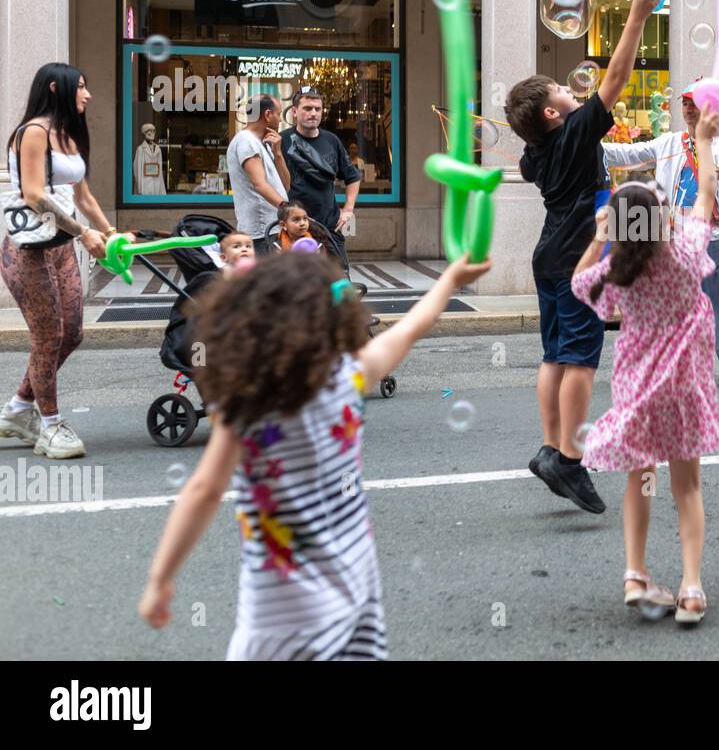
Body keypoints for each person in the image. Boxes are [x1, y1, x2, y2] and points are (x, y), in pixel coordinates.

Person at [138, 250, 491, 658]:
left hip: (282, 602)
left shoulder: (246, 407)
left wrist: (160, 578)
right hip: (352, 577)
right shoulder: (348, 377)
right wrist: (449, 280)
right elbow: (407, 331)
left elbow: (203, 490)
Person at [505, 0, 660, 514]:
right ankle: (569, 456)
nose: (576, 96)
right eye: (565, 95)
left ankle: (552, 447)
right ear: (553, 114)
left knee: (554, 354)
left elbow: (537, 150)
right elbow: (615, 80)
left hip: (549, 257)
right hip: (579, 259)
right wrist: (637, 15)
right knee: (581, 359)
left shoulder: (536, 154)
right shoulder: (572, 133)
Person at [570, 108, 719, 624]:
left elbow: (578, 283)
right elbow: (705, 196)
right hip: (685, 391)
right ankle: (692, 588)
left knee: (641, 481)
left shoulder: (616, 270)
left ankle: (635, 573)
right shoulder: (685, 254)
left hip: (637, 391)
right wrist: (702, 140)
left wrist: (599, 234)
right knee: (688, 489)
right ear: (663, 220)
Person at [599, 88, 719, 390]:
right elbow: (628, 154)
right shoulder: (669, 142)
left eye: (694, 104)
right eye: (684, 103)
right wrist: (583, 140)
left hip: (709, 237)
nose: (688, 108)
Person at [0, 63, 117, 460]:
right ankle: (49, 426)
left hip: (61, 246)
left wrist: (109, 230)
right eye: (81, 87)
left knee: (72, 333)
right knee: (47, 336)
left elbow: (83, 196)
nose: (87, 95)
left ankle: (18, 408)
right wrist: (85, 233)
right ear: (56, 88)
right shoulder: (32, 133)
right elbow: (34, 194)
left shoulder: (69, 135)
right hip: (28, 250)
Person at [280, 87, 360, 269]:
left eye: (317, 109)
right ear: (294, 111)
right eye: (307, 108)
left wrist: (348, 209)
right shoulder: (282, 141)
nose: (313, 113)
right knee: (296, 284)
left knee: (340, 280)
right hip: (294, 229)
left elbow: (353, 177)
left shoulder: (332, 141)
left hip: (329, 228)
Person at [227, 95, 289, 256]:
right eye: (278, 114)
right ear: (268, 114)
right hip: (262, 231)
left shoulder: (263, 143)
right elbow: (259, 184)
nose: (280, 120)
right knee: (267, 280)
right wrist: (287, 209)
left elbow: (286, 186)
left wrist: (278, 153)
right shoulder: (246, 142)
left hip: (273, 227)